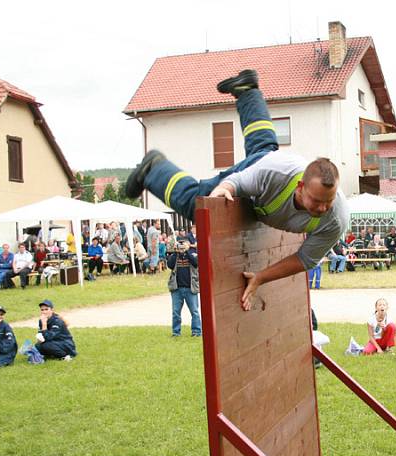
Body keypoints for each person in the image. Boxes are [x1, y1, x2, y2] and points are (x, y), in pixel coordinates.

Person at [125, 69, 348, 310]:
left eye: (329, 200)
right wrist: (222, 190)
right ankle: (154, 169)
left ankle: (247, 90)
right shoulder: (273, 173)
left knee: (263, 146)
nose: (323, 208)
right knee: (198, 204)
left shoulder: (336, 219)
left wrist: (261, 276)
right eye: (316, 201)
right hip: (255, 173)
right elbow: (238, 182)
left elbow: (305, 259)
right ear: (300, 187)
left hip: (265, 171)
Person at [167, 241, 201, 337]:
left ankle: (196, 331)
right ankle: (176, 332)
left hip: (190, 288)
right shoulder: (175, 256)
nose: (181, 247)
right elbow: (170, 265)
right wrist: (176, 252)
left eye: (183, 245)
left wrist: (187, 252)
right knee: (176, 312)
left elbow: (195, 263)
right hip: (177, 289)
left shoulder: (192, 255)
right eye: (180, 245)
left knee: (194, 311)